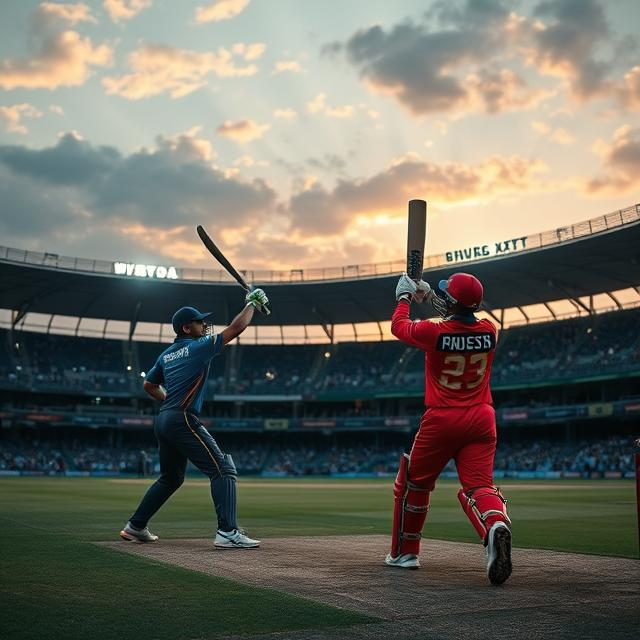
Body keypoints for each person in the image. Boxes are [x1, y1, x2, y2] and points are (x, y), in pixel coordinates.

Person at [386, 272, 512, 585]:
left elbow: (399, 327)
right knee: (480, 486)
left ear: (453, 301)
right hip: (482, 418)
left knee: (415, 484)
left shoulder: (433, 333)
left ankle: (406, 553)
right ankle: (495, 524)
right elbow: (459, 321)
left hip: (442, 419)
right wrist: (429, 297)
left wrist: (404, 299)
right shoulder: (490, 330)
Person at [119, 288, 270, 549]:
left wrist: (168, 400)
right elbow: (236, 328)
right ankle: (228, 532)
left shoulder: (165, 355)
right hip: (183, 419)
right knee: (223, 469)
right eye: (200, 322)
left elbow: (148, 385)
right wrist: (252, 304)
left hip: (164, 420)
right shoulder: (198, 347)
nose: (204, 325)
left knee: (171, 478)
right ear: (187, 329)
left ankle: (136, 526)